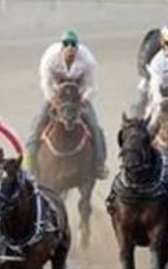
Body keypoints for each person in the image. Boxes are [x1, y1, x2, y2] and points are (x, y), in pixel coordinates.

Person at [25, 29, 107, 180]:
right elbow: (45, 83)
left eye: (73, 45)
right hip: (57, 97)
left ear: (77, 47)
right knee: (37, 127)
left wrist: (84, 99)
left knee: (95, 128)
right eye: (66, 44)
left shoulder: (88, 60)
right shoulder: (49, 58)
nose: (70, 48)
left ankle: (99, 165)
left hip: (78, 97)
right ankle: (30, 167)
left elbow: (92, 86)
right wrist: (53, 100)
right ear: (61, 47)